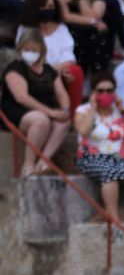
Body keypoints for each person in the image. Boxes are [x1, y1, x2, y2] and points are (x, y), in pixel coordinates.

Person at [73, 73, 124, 222]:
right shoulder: (83, 111)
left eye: (109, 90)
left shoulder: (122, 109)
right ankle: (115, 220)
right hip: (91, 157)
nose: (105, 94)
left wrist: (122, 109)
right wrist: (93, 108)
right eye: (101, 91)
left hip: (120, 157)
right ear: (93, 92)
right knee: (110, 175)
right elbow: (83, 131)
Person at [3, 32, 72, 175]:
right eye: (27, 50)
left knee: (63, 122)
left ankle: (43, 162)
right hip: (18, 112)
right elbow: (21, 97)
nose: (31, 54)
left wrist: (65, 110)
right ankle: (28, 165)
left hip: (45, 110)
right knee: (41, 120)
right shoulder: (15, 68)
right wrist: (50, 112)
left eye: (34, 50)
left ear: (41, 51)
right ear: (20, 49)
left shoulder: (49, 70)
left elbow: (60, 93)